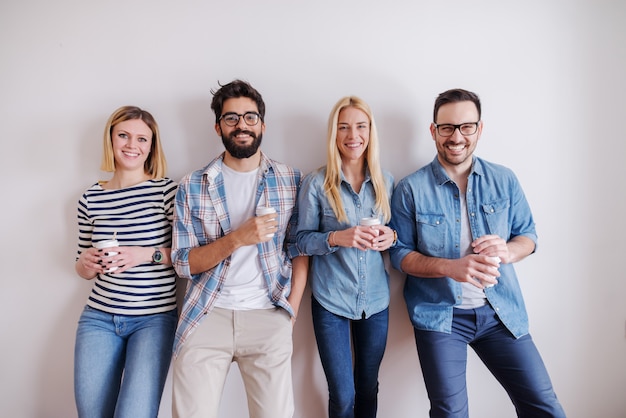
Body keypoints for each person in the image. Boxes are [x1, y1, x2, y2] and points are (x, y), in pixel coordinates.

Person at [389, 88, 566, 418]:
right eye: (447, 128)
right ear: (434, 131)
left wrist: (509, 251)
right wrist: (450, 268)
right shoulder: (410, 188)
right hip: (441, 317)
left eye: (466, 126)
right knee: (451, 413)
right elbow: (399, 255)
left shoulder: (504, 179)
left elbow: (528, 235)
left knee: (545, 407)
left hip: (501, 314)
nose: (456, 137)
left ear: (479, 129)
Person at [170, 79, 308, 418]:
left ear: (262, 123)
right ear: (218, 126)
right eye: (231, 118)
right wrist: (237, 238)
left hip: (268, 316)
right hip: (206, 314)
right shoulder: (193, 184)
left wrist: (289, 311)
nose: (241, 125)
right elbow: (183, 263)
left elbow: (299, 248)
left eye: (250, 117)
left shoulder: (290, 179)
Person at [73, 106, 178, 418]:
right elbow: (81, 267)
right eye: (124, 135)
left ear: (151, 146)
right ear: (111, 139)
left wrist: (145, 254)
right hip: (99, 318)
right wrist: (86, 263)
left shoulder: (166, 191)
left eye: (142, 139)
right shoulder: (90, 198)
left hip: (153, 320)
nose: (132, 145)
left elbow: (188, 257)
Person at [296, 96, 396, 418]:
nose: (353, 135)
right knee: (343, 394)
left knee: (368, 386)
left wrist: (390, 237)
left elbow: (401, 236)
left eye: (360, 126)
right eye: (344, 127)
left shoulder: (387, 182)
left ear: (370, 132)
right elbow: (298, 242)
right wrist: (338, 237)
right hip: (331, 300)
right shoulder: (316, 183)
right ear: (334, 134)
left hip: (377, 300)